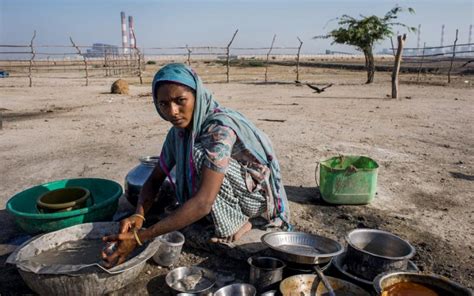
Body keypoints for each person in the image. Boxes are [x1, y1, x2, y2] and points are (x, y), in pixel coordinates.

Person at [103, 63, 291, 267]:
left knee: (199, 155)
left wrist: (142, 237)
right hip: (230, 191)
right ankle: (222, 215)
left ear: (197, 96)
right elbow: (155, 178)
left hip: (255, 196)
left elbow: (203, 202)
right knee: (194, 158)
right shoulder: (178, 133)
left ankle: (239, 222)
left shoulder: (219, 130)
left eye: (180, 101)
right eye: (163, 104)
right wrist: (138, 214)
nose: (172, 112)